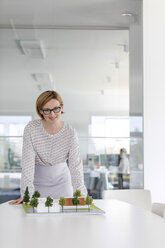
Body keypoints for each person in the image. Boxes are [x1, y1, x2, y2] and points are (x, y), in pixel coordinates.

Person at [9, 90, 87, 205]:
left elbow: (75, 166)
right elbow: (27, 164)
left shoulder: (70, 132)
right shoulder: (31, 129)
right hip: (38, 185)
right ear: (40, 110)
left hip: (63, 184)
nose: (52, 114)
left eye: (56, 109)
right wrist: (27, 194)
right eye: (46, 110)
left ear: (62, 107)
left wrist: (81, 195)